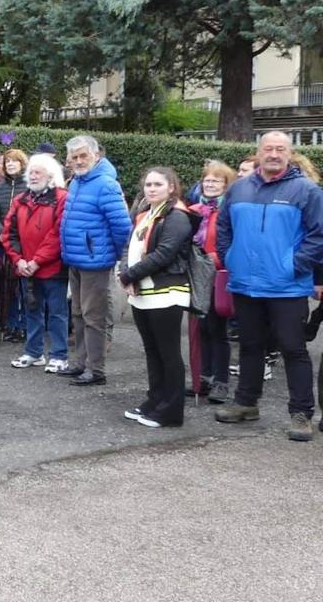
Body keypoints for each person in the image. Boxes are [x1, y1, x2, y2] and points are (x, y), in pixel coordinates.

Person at [215, 131, 323, 442]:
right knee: (249, 346)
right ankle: (246, 403)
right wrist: (231, 258)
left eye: (280, 149)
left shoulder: (306, 190)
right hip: (246, 283)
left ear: (290, 154)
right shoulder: (239, 188)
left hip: (286, 286)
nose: (273, 154)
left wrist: (294, 266)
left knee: (293, 348)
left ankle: (301, 413)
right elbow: (224, 227)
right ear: (258, 152)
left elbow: (319, 235)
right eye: (268, 148)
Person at [119, 167, 196, 428]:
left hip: (166, 292)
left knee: (168, 353)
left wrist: (129, 276)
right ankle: (155, 400)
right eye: (148, 184)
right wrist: (125, 273)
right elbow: (129, 246)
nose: (151, 189)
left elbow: (164, 254)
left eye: (158, 184)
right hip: (143, 292)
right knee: (152, 351)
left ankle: (171, 411)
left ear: (171, 187)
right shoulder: (145, 213)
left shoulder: (177, 216)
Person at [58, 134, 133, 386]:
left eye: (83, 156)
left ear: (96, 155)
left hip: (94, 261)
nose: (78, 161)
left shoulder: (105, 184)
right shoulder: (78, 182)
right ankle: (80, 363)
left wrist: (109, 255)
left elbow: (122, 226)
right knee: (79, 314)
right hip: (77, 259)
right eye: (74, 157)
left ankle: (96, 369)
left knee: (94, 317)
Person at [1, 154, 69, 371]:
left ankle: (59, 355)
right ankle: (34, 352)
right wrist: (18, 260)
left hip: (53, 268)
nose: (32, 176)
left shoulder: (62, 198)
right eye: (30, 171)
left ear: (50, 175)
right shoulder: (20, 200)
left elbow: (58, 234)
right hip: (27, 268)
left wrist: (36, 261)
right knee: (32, 310)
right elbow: (8, 233)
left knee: (57, 313)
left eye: (37, 172)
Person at [188, 161, 236, 402]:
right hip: (196, 276)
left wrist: (213, 258)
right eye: (207, 179)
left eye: (216, 180)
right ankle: (202, 377)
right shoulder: (194, 209)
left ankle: (221, 381)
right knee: (200, 329)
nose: (210, 184)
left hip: (218, 274)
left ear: (226, 185)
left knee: (217, 330)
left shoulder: (230, 210)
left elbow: (234, 243)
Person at [0, 148, 29, 341]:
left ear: (22, 164)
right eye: (7, 162)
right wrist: (2, 232)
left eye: (14, 161)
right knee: (7, 287)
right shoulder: (0, 188)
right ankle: (11, 324)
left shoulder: (29, 186)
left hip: (25, 245)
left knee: (25, 288)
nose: (10, 164)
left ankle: (25, 325)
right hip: (5, 244)